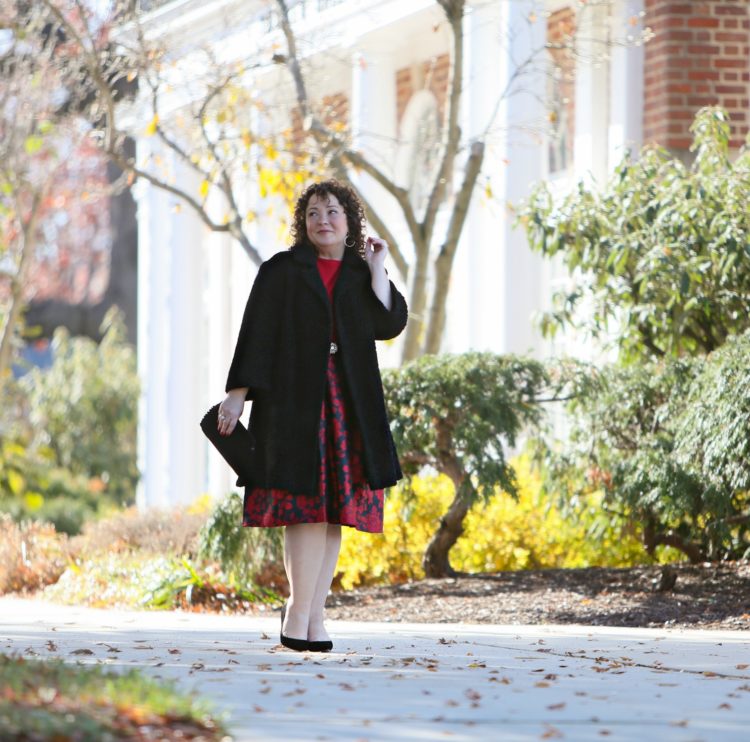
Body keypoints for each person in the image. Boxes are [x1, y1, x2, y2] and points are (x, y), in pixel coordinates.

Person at [217, 180, 408, 652]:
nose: (323, 220)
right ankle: (298, 612)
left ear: (349, 223)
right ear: (304, 223)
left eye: (333, 212)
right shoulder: (281, 270)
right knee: (303, 506)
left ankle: (314, 613)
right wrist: (237, 395)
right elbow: (256, 334)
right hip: (291, 404)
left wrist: (379, 266)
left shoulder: (360, 273)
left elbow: (390, 324)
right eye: (314, 213)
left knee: (332, 512)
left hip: (349, 404)